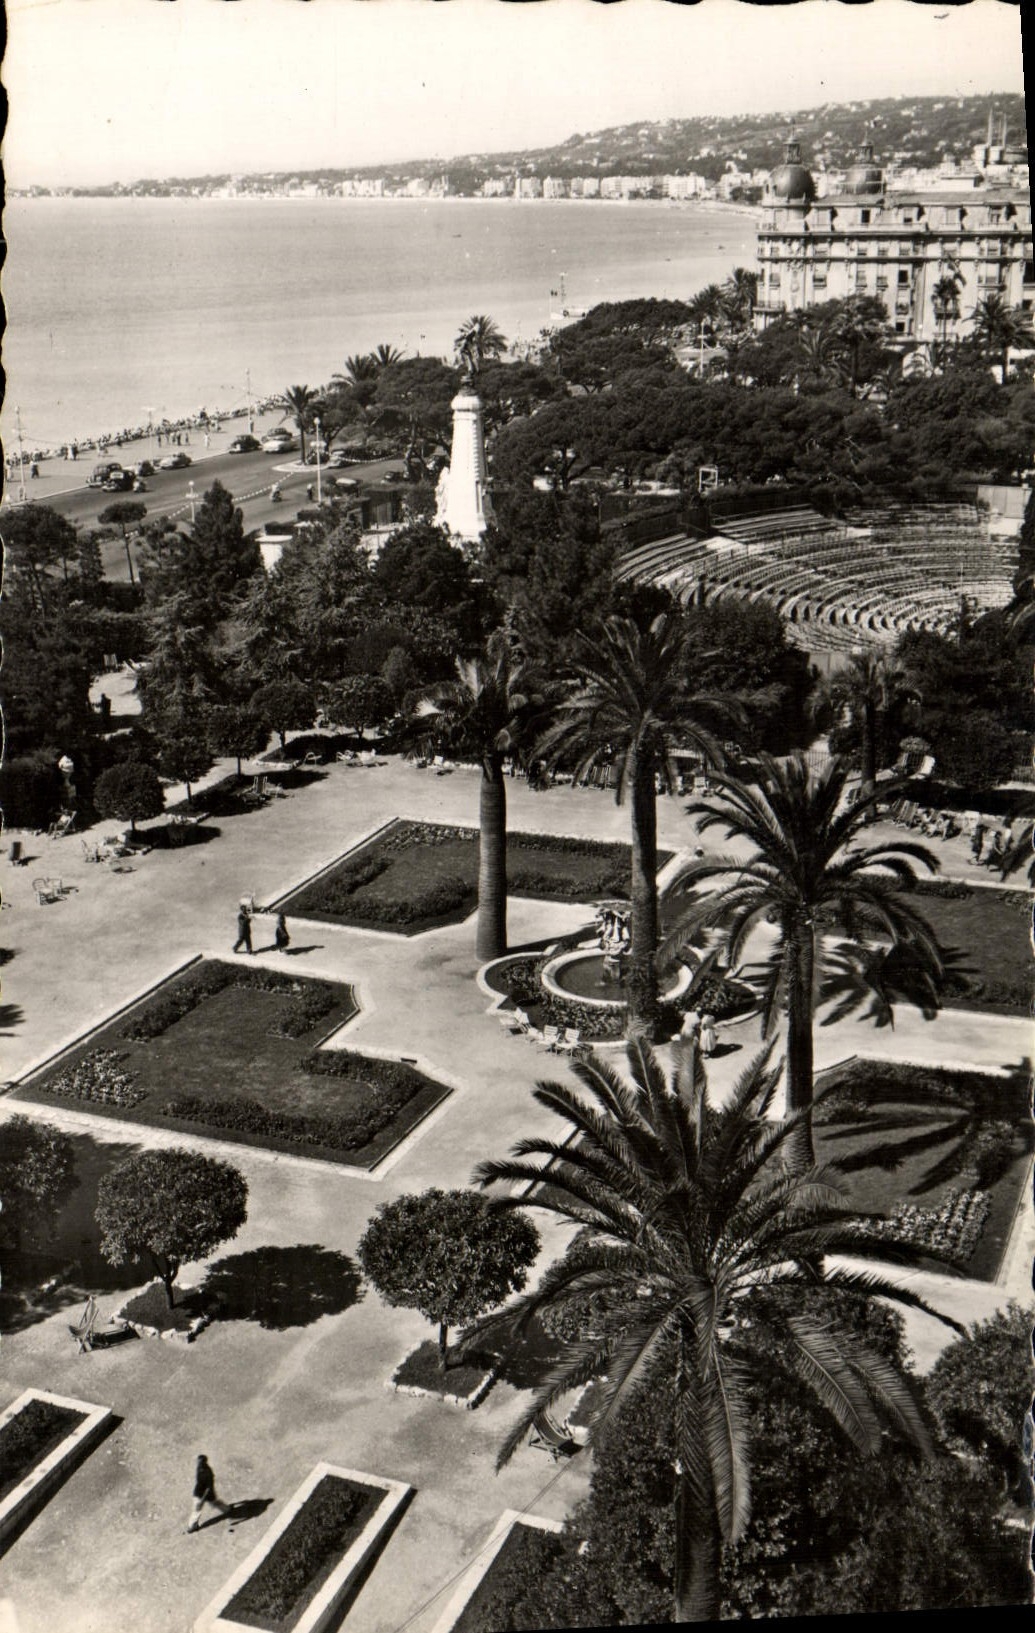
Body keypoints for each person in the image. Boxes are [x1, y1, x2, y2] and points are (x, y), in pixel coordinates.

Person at [187, 1454, 232, 1533]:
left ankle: (227, 1509)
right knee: (199, 1508)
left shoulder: (208, 1473)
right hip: (198, 1491)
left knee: (204, 1506)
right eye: (198, 1462)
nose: (198, 1463)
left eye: (200, 1462)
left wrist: (202, 1500)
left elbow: (208, 1488)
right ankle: (193, 1525)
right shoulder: (199, 1467)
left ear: (205, 1462)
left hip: (205, 1493)